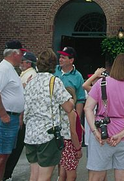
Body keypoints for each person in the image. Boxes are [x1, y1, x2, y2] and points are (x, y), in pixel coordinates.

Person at [83, 53, 124, 181]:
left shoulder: (102, 83)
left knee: (96, 176)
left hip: (102, 133)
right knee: (122, 177)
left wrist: (95, 131)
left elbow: (87, 108)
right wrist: (121, 135)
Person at [22, 49, 79, 181]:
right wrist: (70, 99)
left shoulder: (30, 82)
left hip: (30, 134)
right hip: (47, 134)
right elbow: (68, 107)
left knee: (34, 175)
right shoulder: (54, 81)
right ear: (53, 64)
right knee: (45, 176)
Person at [0, 40, 26, 181]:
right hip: (3, 117)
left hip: (10, 117)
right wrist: (3, 115)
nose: (22, 57)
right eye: (21, 53)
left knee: (4, 156)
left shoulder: (10, 69)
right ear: (15, 54)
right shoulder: (2, 69)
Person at [3, 50, 38, 181]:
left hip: (22, 117)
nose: (20, 63)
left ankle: (7, 174)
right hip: (20, 115)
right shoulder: (24, 74)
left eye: (23, 61)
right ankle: (6, 173)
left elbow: (26, 97)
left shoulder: (31, 75)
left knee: (16, 147)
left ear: (28, 63)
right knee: (14, 146)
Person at [58, 86, 84, 181]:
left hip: (62, 142)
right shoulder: (71, 113)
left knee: (62, 172)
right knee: (72, 175)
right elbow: (73, 133)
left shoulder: (60, 112)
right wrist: (78, 149)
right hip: (70, 144)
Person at [55, 46, 86, 118]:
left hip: (68, 115)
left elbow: (80, 100)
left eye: (63, 58)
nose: (60, 59)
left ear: (71, 60)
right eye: (60, 57)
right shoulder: (53, 70)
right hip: (52, 114)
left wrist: (77, 120)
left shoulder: (78, 76)